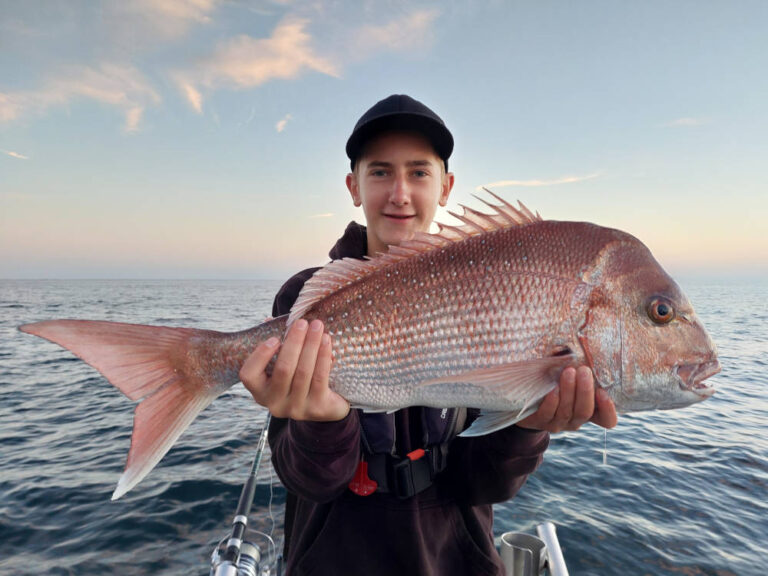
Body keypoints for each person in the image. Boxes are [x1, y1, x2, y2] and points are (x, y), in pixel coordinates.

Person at [240, 94, 617, 576]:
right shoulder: (304, 300)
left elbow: (485, 484)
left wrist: (527, 426)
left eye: (419, 172)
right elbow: (306, 479)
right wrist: (324, 424)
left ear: (446, 186)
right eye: (380, 172)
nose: (400, 192)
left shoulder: (491, 284)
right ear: (354, 186)